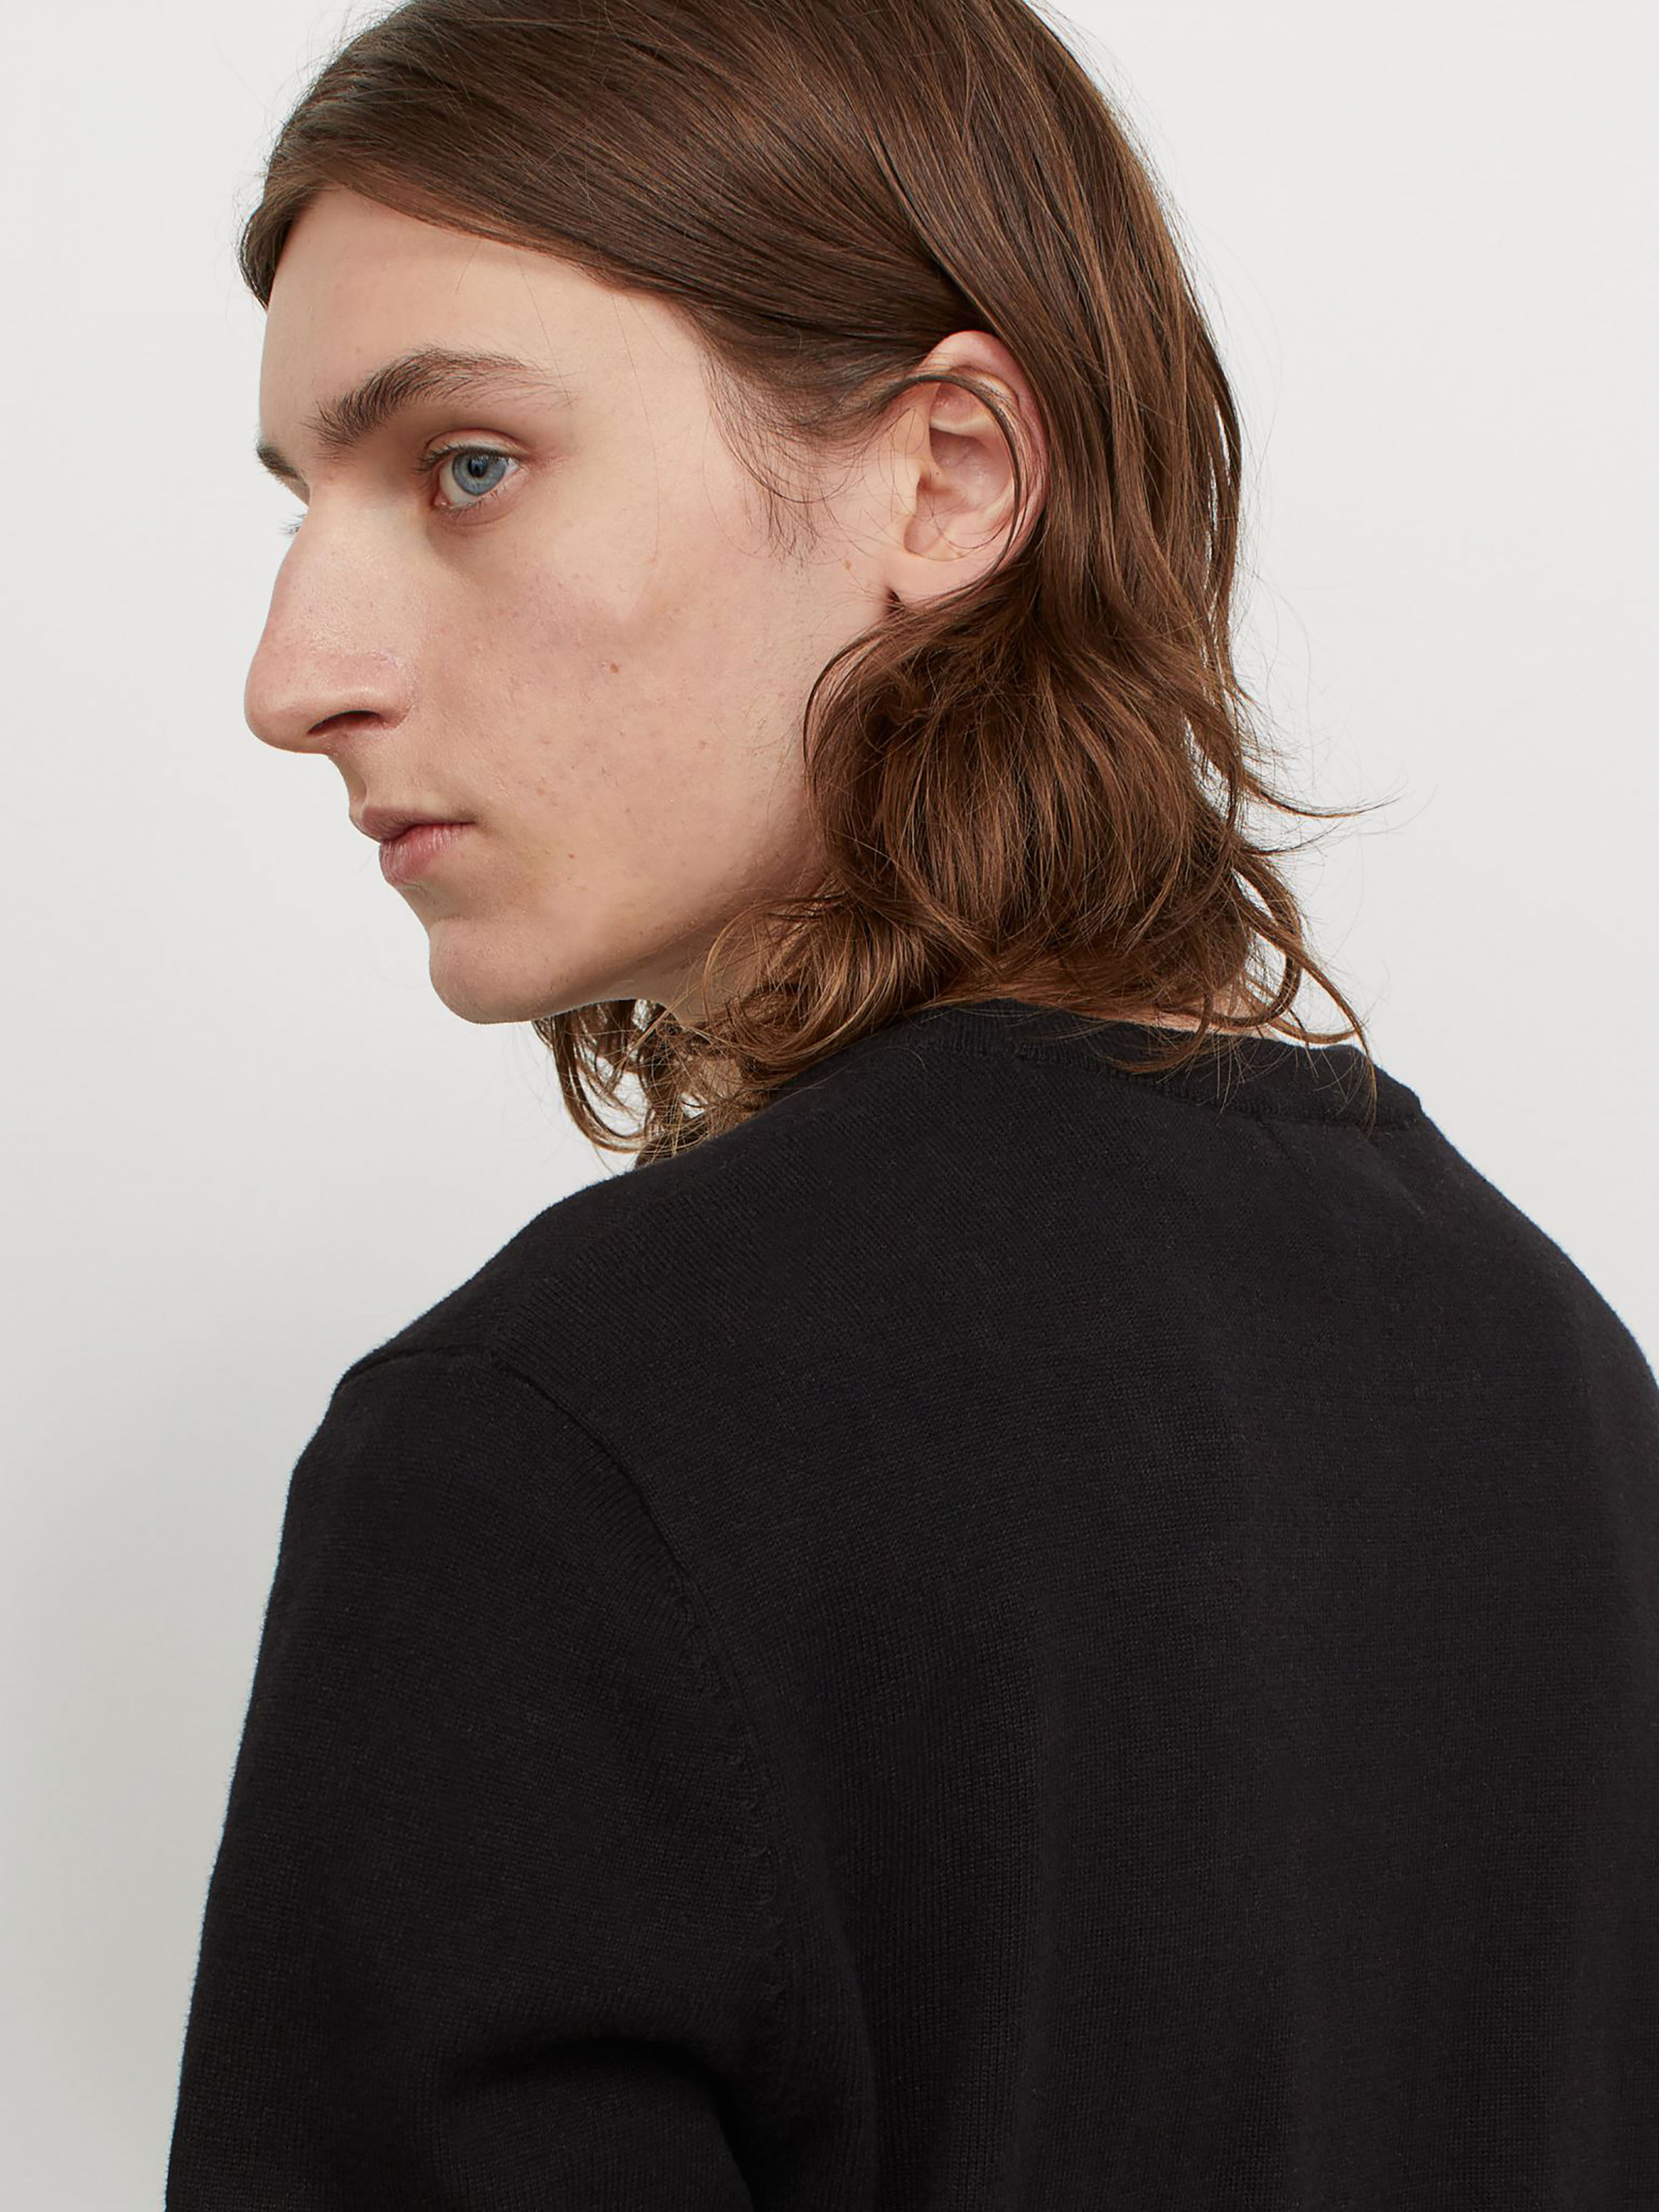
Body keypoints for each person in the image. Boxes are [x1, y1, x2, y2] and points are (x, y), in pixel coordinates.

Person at [166, 1, 1659, 2204]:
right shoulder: (1551, 1369)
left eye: (467, 465)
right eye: (308, 504)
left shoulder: (545, 1450)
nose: (294, 677)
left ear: (944, 475)